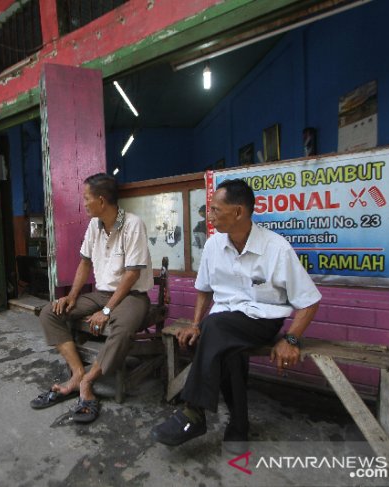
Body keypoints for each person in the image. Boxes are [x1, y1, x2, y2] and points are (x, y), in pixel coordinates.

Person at [151, 178, 321, 452]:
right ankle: (239, 427)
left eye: (216, 209)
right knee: (224, 345)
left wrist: (290, 339)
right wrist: (195, 324)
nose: (210, 215)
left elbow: (310, 301)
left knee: (215, 328)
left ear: (239, 212)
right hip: (224, 320)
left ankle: (193, 412)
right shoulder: (213, 245)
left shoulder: (276, 248)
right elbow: (205, 290)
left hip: (262, 321)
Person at [30, 173, 154, 423]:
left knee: (121, 329)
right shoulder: (94, 226)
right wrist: (72, 296)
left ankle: (89, 380)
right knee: (49, 312)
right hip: (101, 293)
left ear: (101, 199)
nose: (84, 203)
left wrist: (107, 311)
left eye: (86, 198)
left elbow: (132, 275)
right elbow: (84, 263)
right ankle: (77, 373)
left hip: (132, 296)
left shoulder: (132, 224)